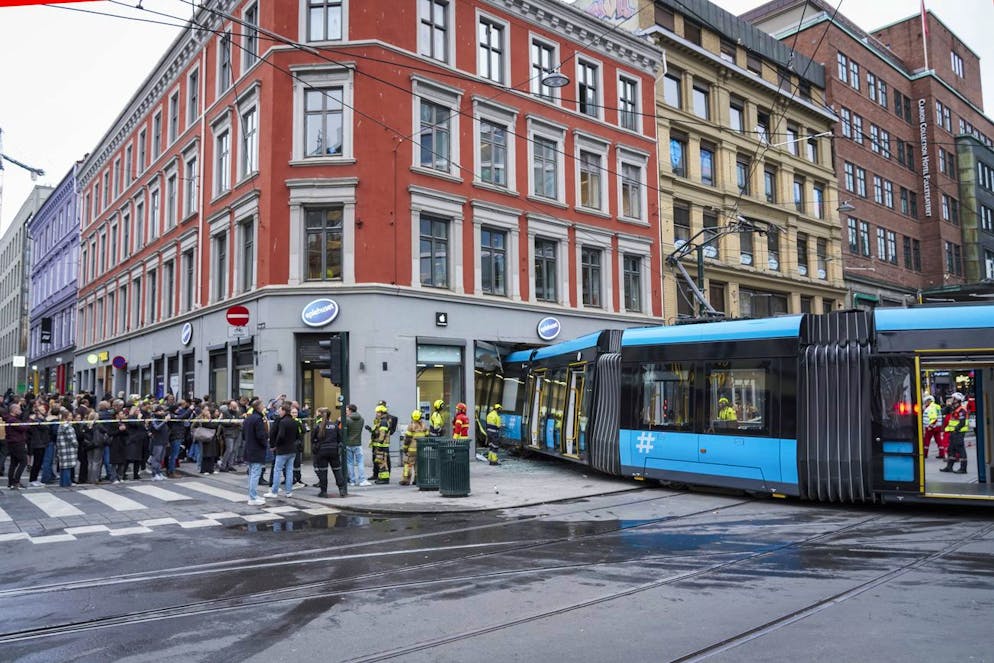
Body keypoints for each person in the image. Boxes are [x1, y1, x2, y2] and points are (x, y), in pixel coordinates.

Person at [312, 408, 348, 498]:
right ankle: (342, 490)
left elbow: (313, 440)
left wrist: (316, 450)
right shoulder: (334, 426)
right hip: (333, 451)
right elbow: (340, 439)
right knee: (337, 470)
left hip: (322, 451)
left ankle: (323, 492)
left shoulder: (318, 426)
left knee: (323, 472)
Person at [265, 404, 298, 498]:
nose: (279, 412)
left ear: (284, 411)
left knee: (277, 470)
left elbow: (281, 436)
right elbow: (297, 436)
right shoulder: (294, 421)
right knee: (289, 470)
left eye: (280, 410)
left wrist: (275, 445)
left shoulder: (283, 422)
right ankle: (289, 491)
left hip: (282, 450)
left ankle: (274, 491)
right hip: (292, 449)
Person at [243, 399, 270, 505]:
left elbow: (244, 435)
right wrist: (265, 443)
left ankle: (252, 495)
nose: (264, 406)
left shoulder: (249, 418)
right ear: (258, 407)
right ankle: (253, 498)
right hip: (256, 449)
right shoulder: (258, 419)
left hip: (249, 448)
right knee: (255, 474)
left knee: (251, 474)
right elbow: (260, 435)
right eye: (262, 405)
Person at [940, 392, 970, 474]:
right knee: (951, 450)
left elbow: (962, 422)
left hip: (959, 432)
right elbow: (943, 412)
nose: (952, 400)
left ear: (957, 400)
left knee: (960, 450)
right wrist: (948, 406)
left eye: (953, 398)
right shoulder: (953, 408)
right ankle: (949, 467)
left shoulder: (962, 410)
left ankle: (963, 468)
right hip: (953, 432)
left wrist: (956, 430)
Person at [4, 403, 28, 489]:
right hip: (17, 443)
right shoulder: (12, 420)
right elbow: (23, 428)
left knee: (13, 463)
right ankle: (16, 481)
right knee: (24, 462)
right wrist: (29, 421)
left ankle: (11, 482)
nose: (20, 411)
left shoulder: (12, 419)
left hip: (13, 443)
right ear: (14, 410)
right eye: (18, 409)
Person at [400, 410, 428, 486]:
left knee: (408, 464)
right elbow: (427, 436)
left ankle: (406, 480)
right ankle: (417, 480)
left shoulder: (411, 426)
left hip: (411, 450)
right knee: (418, 465)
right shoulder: (424, 426)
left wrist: (405, 448)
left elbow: (407, 439)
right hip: (421, 449)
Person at [343, 404, 368, 487]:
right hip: (358, 443)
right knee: (360, 462)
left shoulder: (347, 420)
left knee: (350, 463)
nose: (346, 411)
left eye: (347, 410)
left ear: (350, 410)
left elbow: (344, 431)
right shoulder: (361, 419)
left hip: (348, 444)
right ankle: (362, 480)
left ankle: (352, 481)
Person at [55, 407, 78, 488]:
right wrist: (76, 444)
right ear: (66, 417)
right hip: (68, 449)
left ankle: (63, 483)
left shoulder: (61, 425)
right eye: (70, 416)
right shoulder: (67, 426)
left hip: (62, 449)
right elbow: (72, 438)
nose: (71, 417)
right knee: (67, 467)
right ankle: (66, 483)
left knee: (63, 467)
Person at [148, 406, 169, 481]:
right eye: (160, 411)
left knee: (161, 459)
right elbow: (157, 428)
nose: (162, 412)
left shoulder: (162, 419)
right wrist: (164, 421)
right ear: (156, 412)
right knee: (156, 458)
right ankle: (154, 474)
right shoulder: (154, 419)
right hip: (157, 442)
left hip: (163, 441)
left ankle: (159, 472)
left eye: (162, 411)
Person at [372, 406, 392, 484]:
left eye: (378, 412)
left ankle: (384, 479)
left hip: (382, 446)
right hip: (382, 445)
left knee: (382, 462)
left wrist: (379, 443)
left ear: (382, 413)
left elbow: (382, 434)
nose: (376, 414)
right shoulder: (382, 420)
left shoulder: (383, 421)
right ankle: (382, 478)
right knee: (381, 461)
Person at [921, 394, 945, 459]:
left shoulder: (930, 407)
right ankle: (942, 453)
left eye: (926, 401)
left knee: (926, 441)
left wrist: (930, 426)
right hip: (937, 426)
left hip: (931, 427)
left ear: (929, 401)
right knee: (939, 440)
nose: (925, 403)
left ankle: (925, 454)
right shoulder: (936, 406)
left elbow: (934, 418)